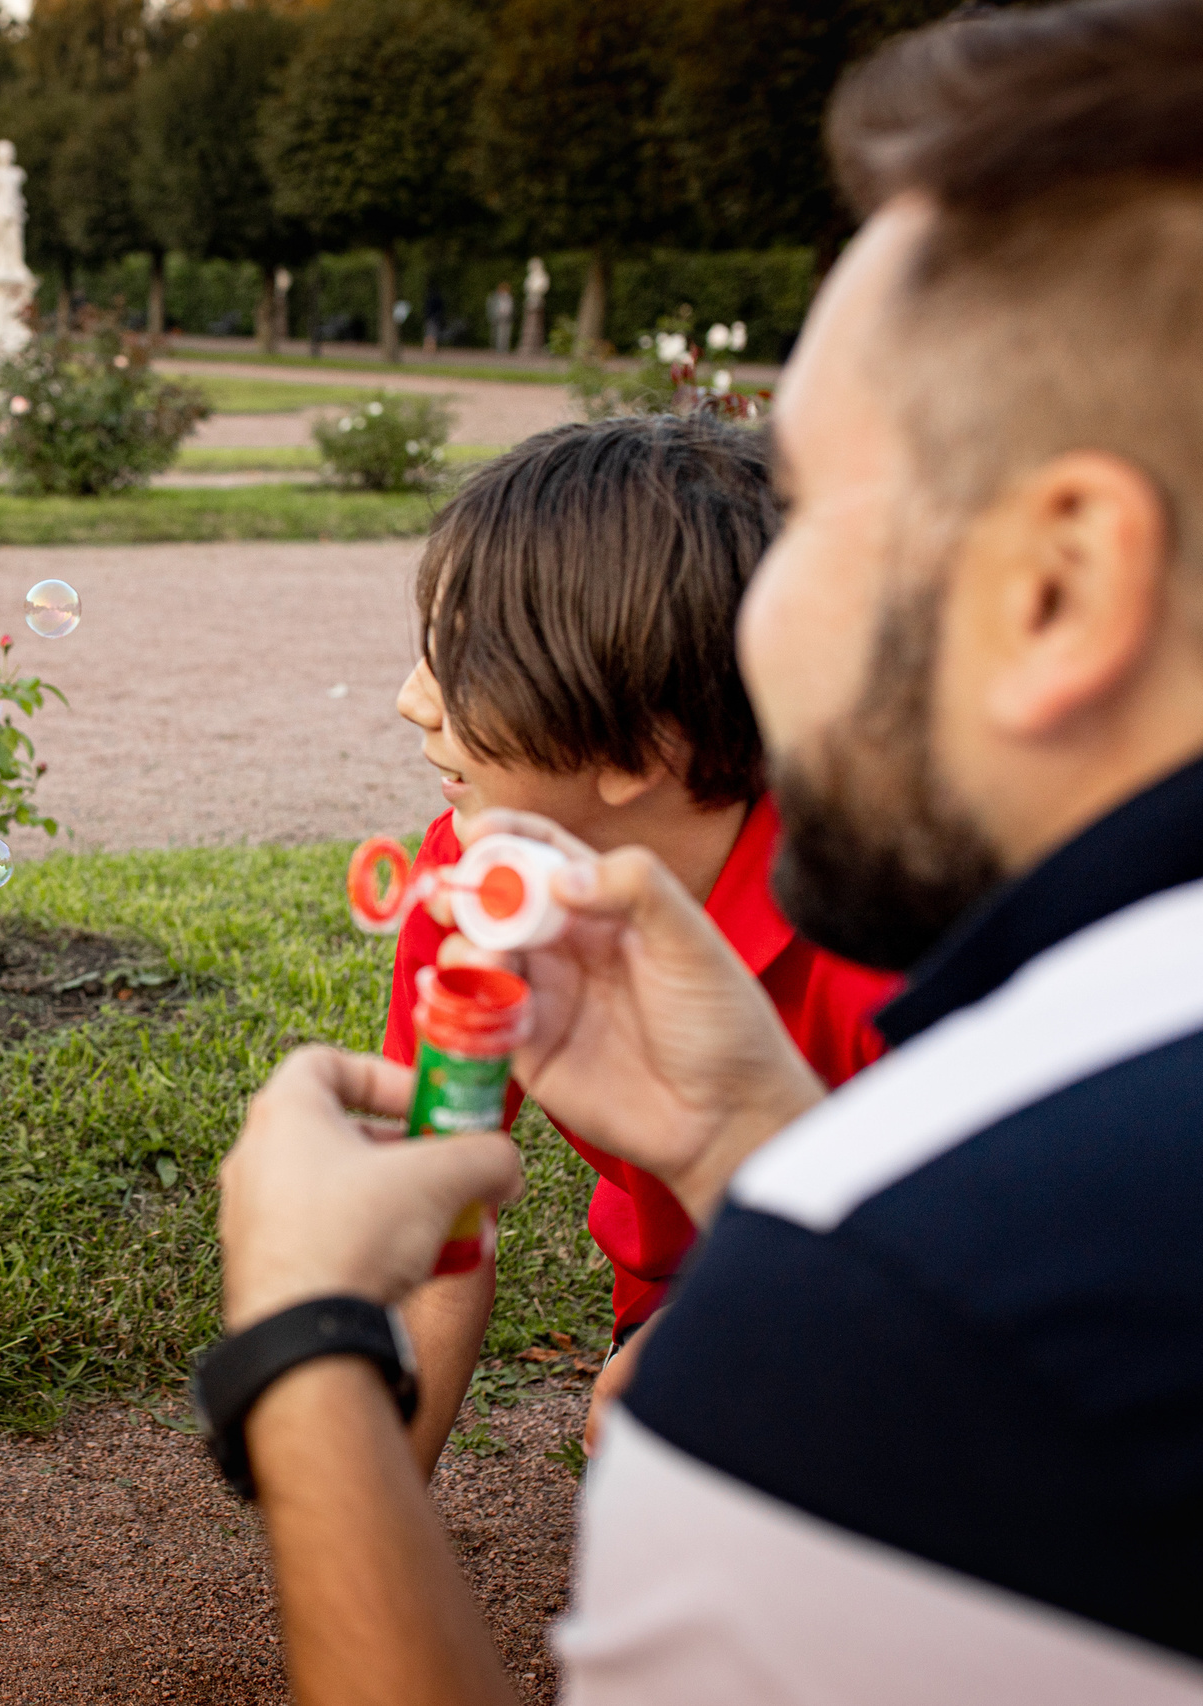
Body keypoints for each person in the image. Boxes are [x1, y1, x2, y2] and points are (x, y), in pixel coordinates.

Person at [204, 2, 1203, 1699]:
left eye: (809, 505)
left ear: (1058, 584)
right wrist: (761, 1149)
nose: (755, 615)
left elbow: (920, 1319)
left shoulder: (899, 1318)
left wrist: (302, 1367)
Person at [383, 416, 898, 1473]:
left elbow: (989, 1282)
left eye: (461, 660)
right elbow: (436, 1219)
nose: (410, 700)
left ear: (642, 747)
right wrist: (375, 1514)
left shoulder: (886, 942)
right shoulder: (480, 881)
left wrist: (748, 1316)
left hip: (919, 1311)